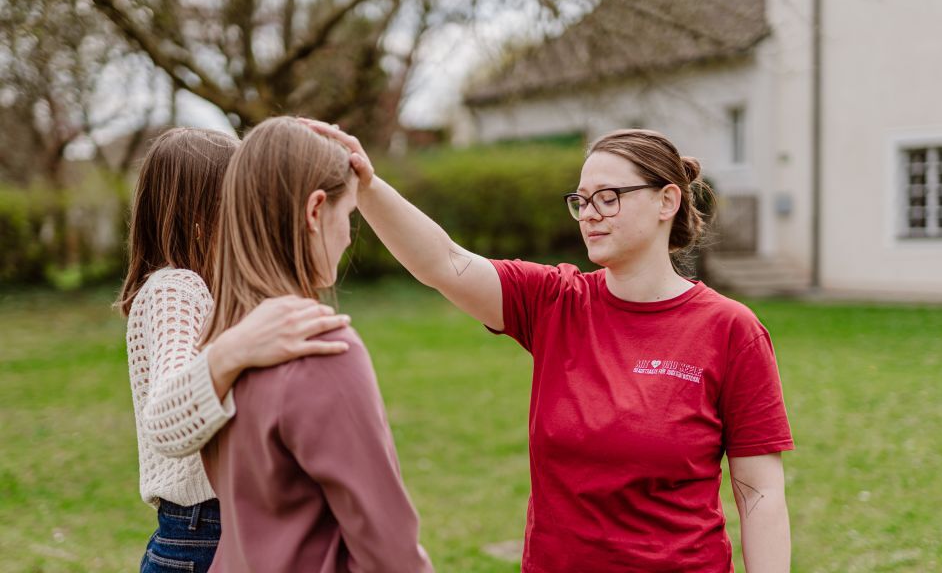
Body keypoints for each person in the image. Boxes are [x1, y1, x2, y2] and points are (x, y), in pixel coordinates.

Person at [308, 121, 794, 573]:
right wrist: (367, 186)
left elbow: (760, 493)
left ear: (667, 201)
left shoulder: (730, 330)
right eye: (581, 200)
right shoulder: (554, 301)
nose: (590, 214)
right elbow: (444, 262)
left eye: (608, 198)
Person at [198, 116, 433, 573]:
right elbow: (390, 550)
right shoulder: (320, 348)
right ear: (314, 211)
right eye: (349, 215)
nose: (347, 236)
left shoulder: (222, 338)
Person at [116, 127, 352, 573]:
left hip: (236, 525)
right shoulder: (176, 290)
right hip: (201, 535)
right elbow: (166, 419)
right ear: (202, 219)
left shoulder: (214, 293)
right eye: (241, 205)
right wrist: (238, 348)